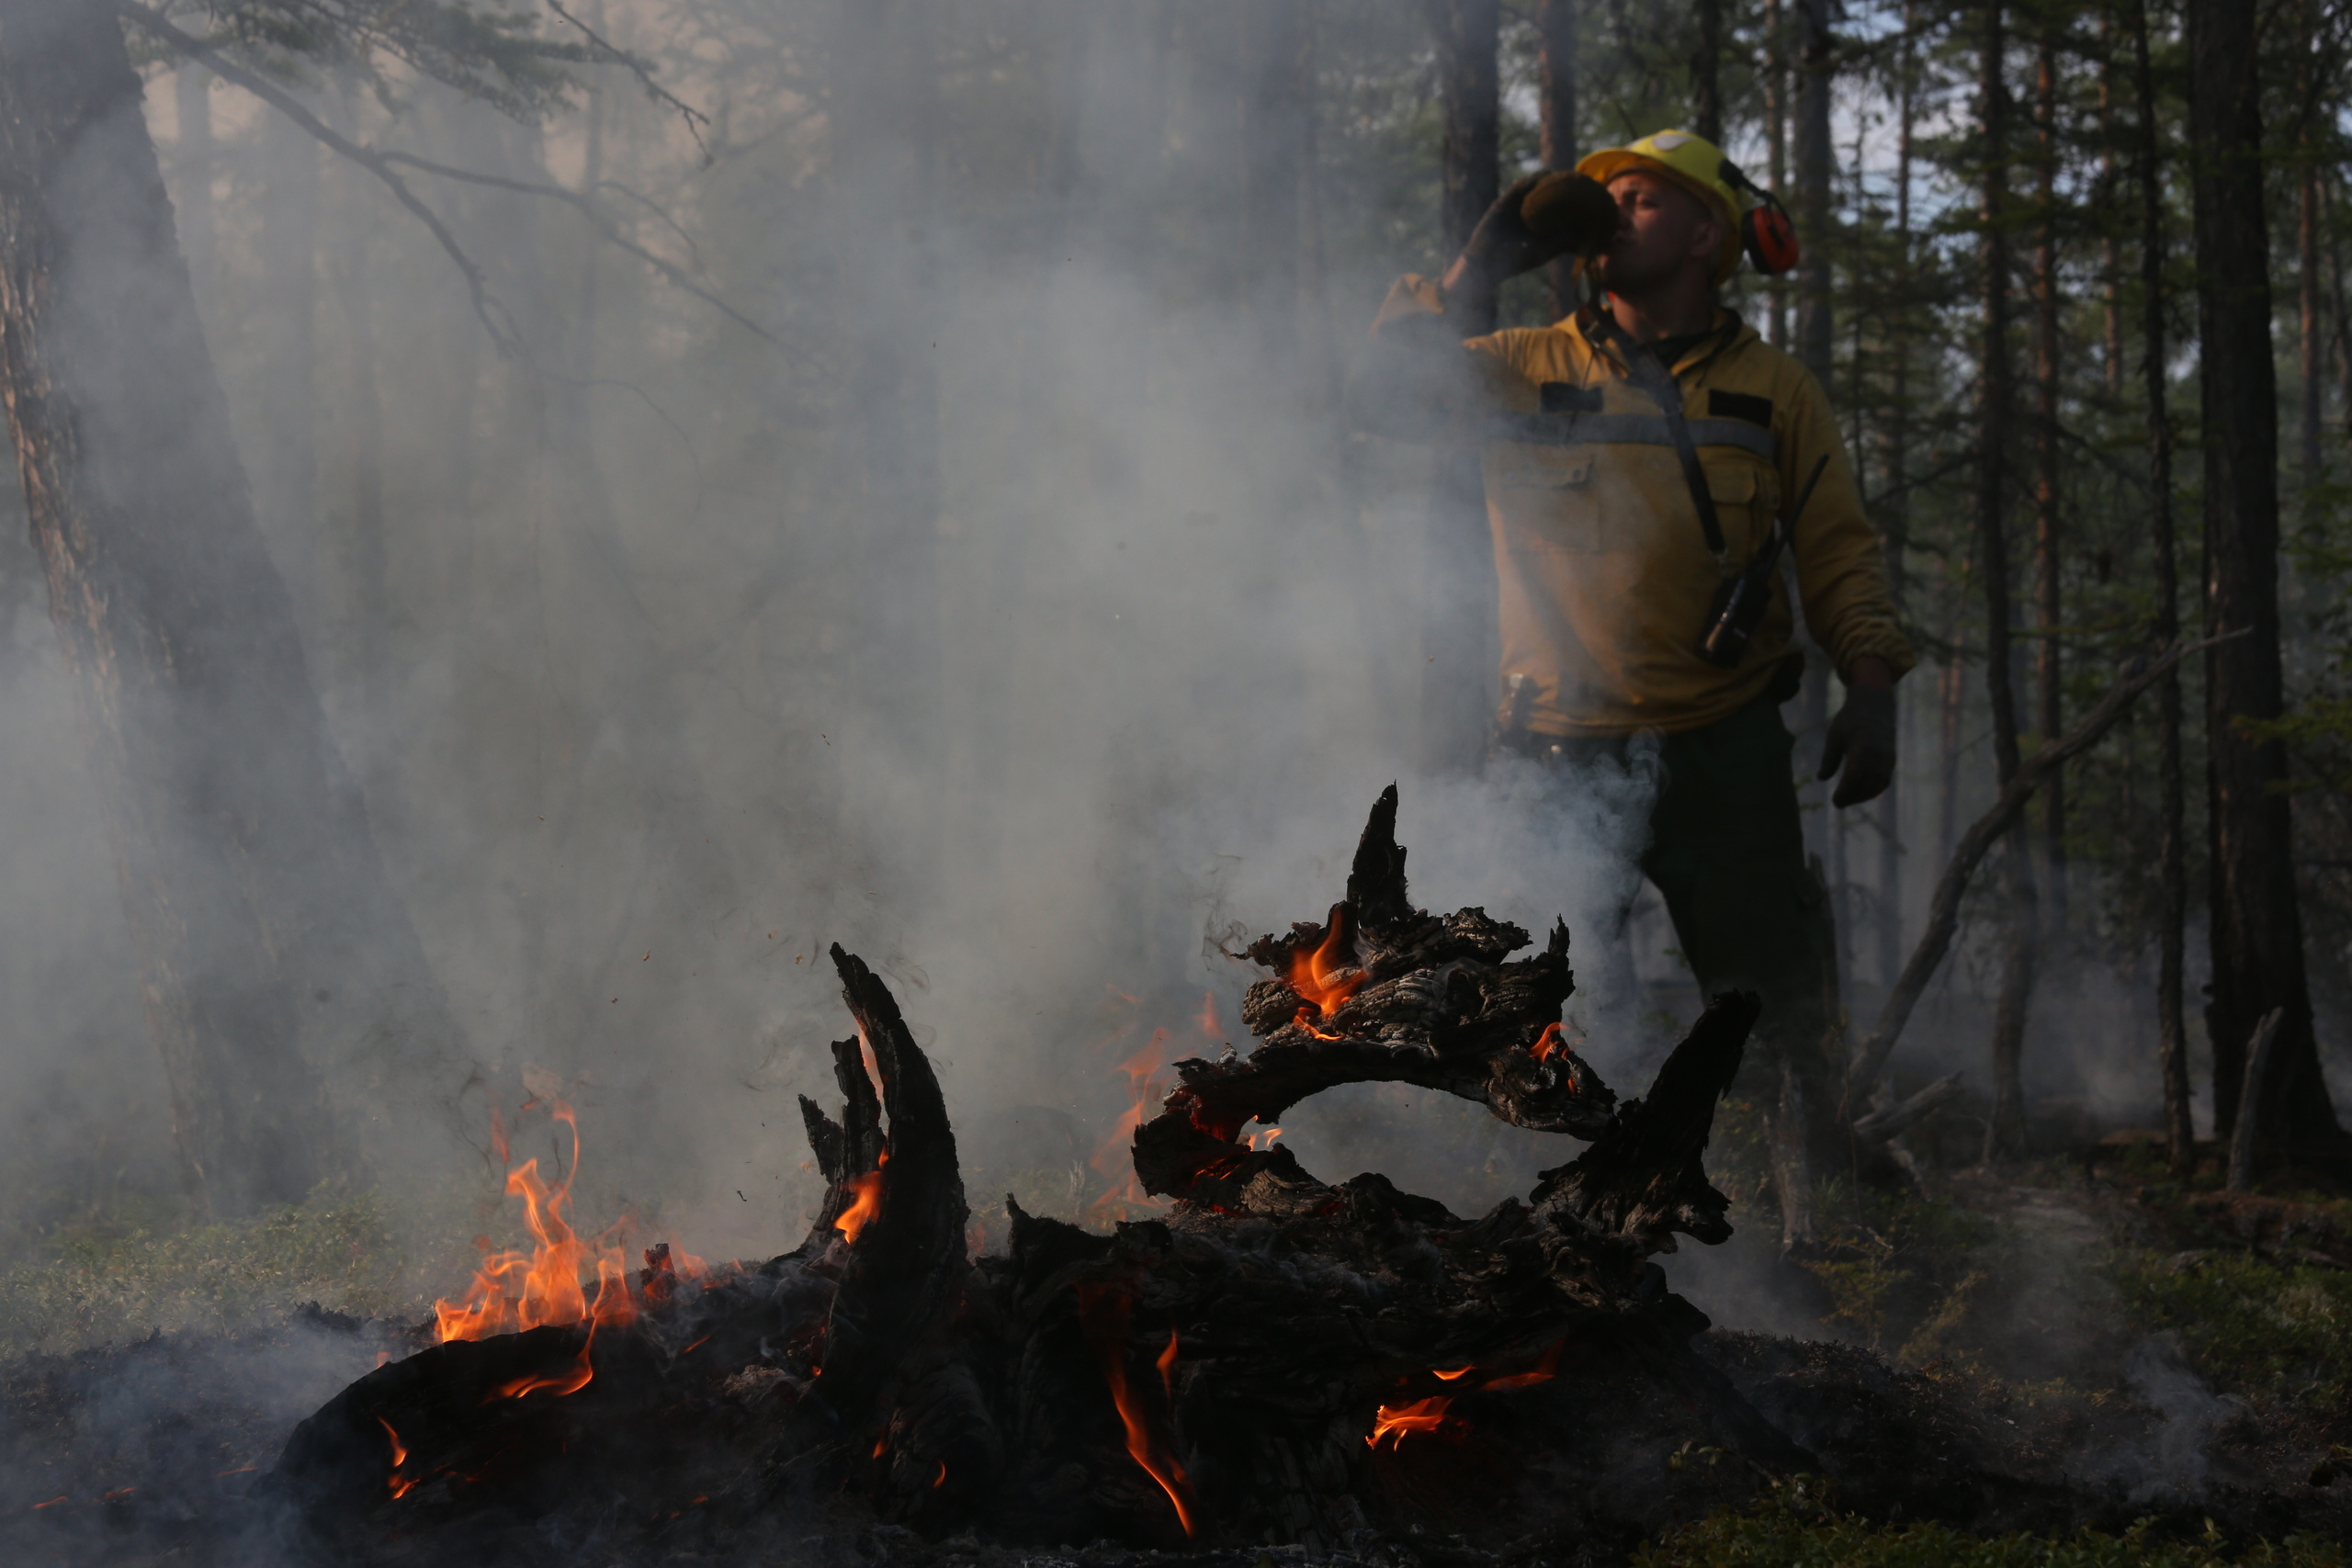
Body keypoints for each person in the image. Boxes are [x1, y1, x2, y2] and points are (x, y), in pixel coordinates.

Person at [1354, 129, 1913, 1173]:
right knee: (1535, 1009)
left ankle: (1808, 1208)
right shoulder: (1519, 364)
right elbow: (1384, 391)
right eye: (1601, 196)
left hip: (1727, 751)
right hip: (1553, 753)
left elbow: (1838, 549)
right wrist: (1478, 270)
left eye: (1640, 198)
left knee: (1773, 1011)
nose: (1610, 213)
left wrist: (1871, 680)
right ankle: (1539, 1207)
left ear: (1707, 232)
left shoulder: (1774, 390)